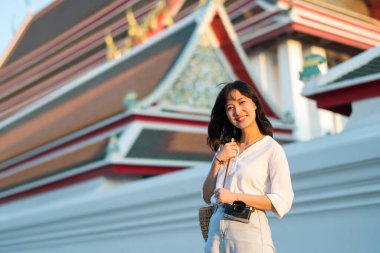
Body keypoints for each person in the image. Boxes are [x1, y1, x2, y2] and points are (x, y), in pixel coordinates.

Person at [202, 80, 294, 253]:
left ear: (254, 104)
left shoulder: (271, 149)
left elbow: (283, 201)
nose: (237, 111)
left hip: (248, 231)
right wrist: (217, 161)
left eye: (242, 102)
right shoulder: (226, 148)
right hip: (216, 233)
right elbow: (207, 196)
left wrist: (235, 196)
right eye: (230, 107)